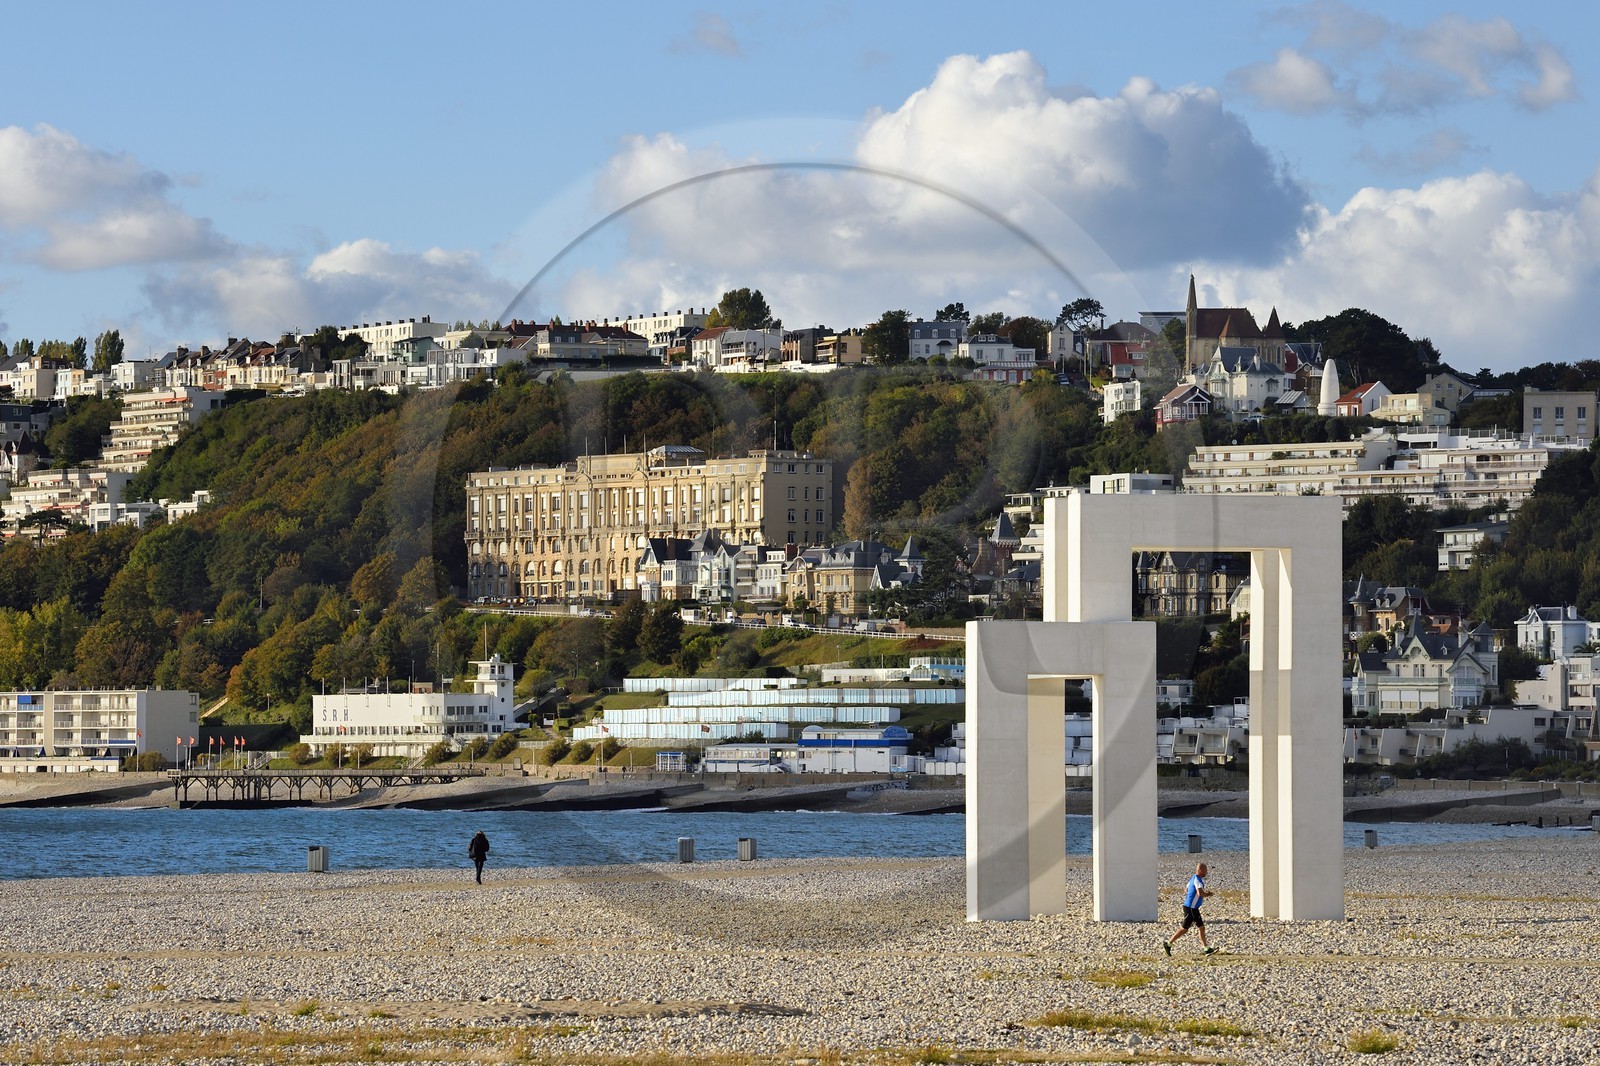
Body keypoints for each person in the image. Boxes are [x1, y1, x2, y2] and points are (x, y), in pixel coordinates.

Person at [1164, 862, 1215, 955]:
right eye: (1205, 871)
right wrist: (1208, 894)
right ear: (1200, 870)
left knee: (1201, 927)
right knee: (1184, 929)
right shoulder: (1197, 880)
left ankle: (1206, 948)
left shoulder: (1193, 878)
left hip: (1193, 908)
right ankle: (1168, 944)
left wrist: (1191, 896)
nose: (1206, 872)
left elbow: (1186, 889)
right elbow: (1200, 893)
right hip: (1190, 908)